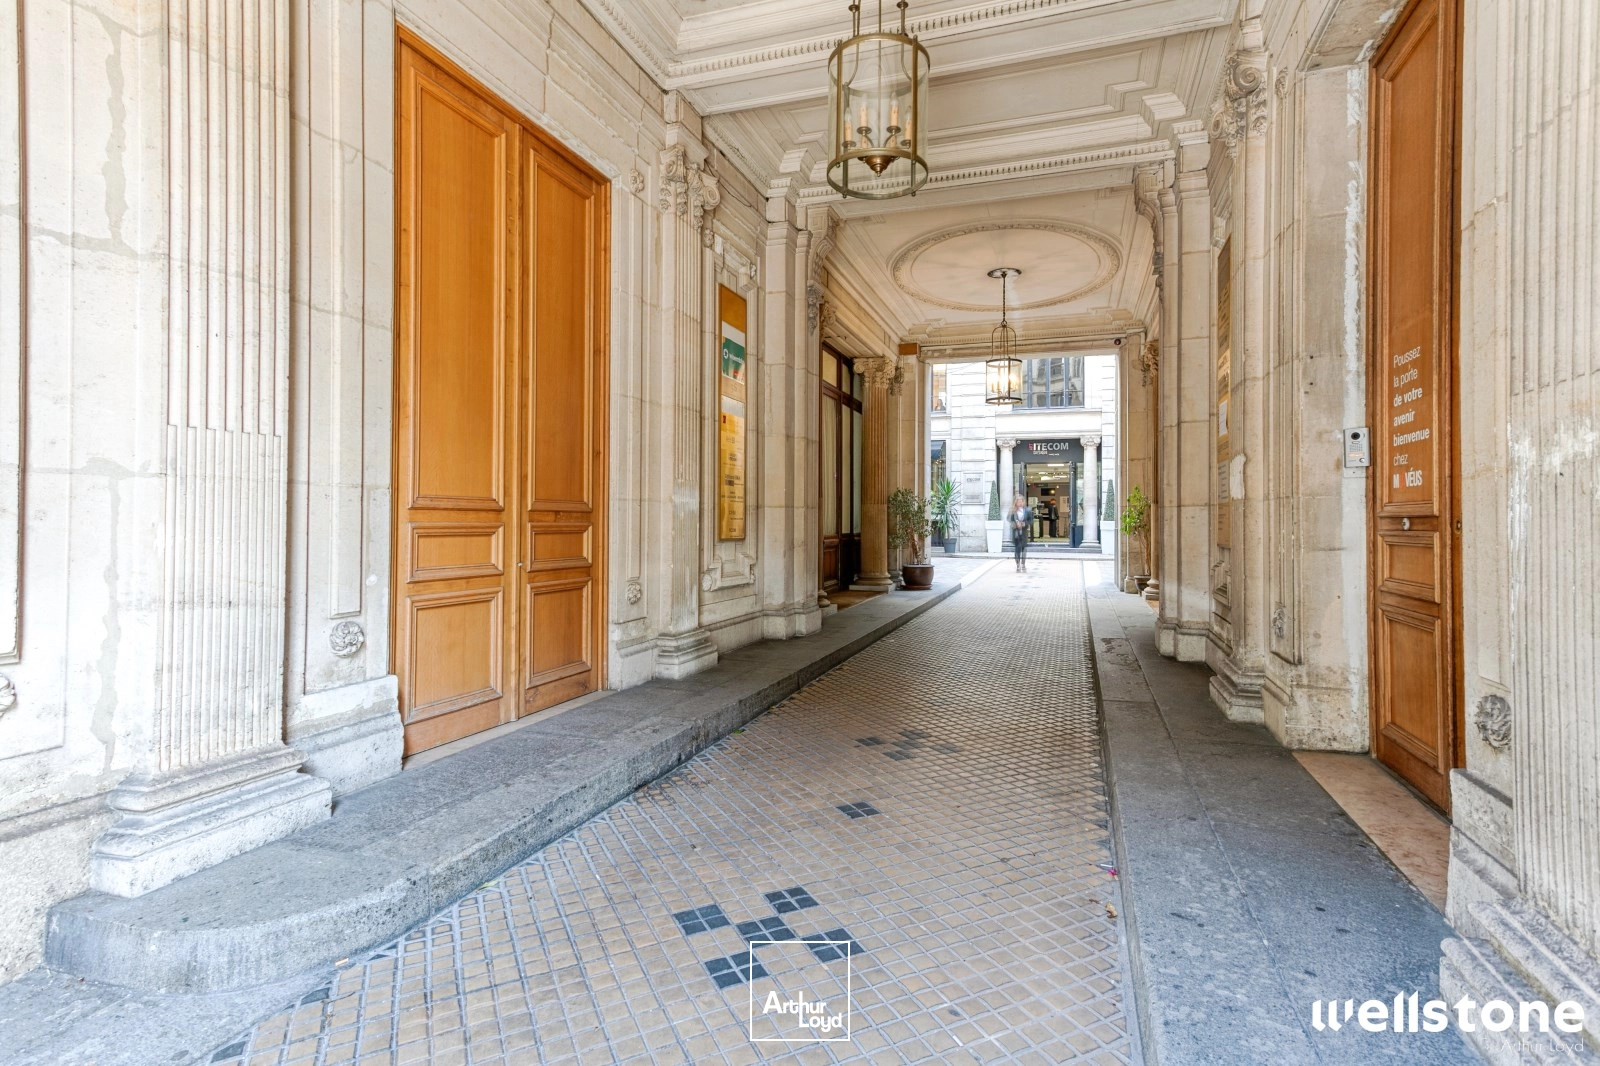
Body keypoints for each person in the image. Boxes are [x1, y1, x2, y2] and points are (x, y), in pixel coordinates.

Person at [1007, 494, 1032, 572]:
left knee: (1024, 548)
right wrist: (1015, 523)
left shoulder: (1027, 510)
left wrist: (1025, 523)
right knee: (1017, 548)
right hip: (1016, 532)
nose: (1020, 503)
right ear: (1015, 502)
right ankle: (1018, 564)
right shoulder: (1012, 510)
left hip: (1024, 532)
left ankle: (1023, 564)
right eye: (1018, 502)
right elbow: (1009, 519)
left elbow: (1031, 520)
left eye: (1021, 501)